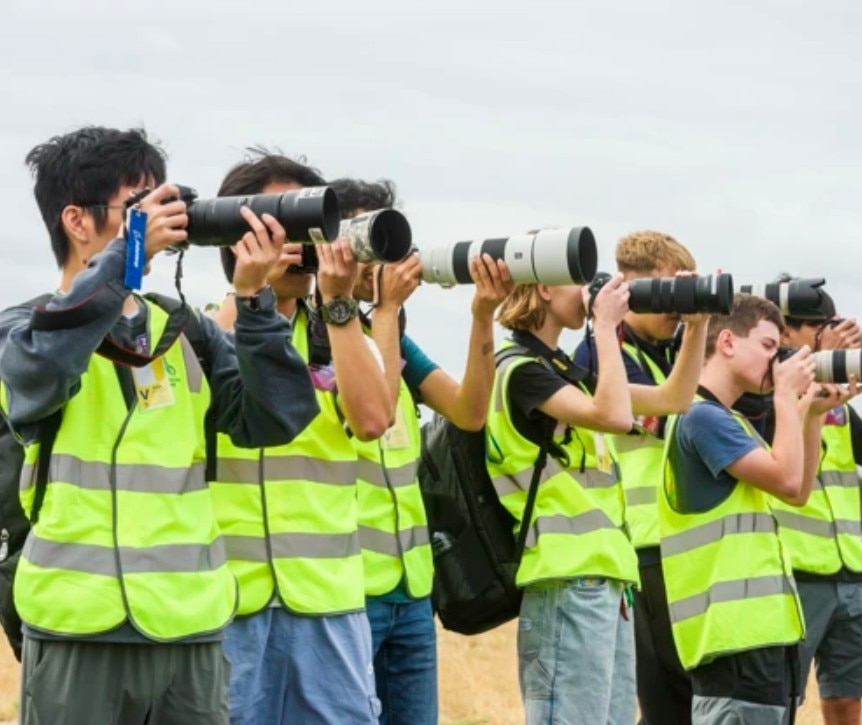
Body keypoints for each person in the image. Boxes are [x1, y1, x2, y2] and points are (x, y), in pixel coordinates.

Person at [0, 127, 319, 725]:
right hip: (79, 626)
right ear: (76, 220)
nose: (164, 219)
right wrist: (127, 256)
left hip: (190, 628)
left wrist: (254, 303)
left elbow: (277, 418)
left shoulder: (183, 331)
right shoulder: (24, 330)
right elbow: (39, 373)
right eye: (140, 205)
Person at [209, 155, 392, 725]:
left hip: (327, 603)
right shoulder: (203, 334)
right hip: (232, 602)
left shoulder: (340, 334)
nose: (299, 248)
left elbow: (372, 420)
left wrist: (338, 307)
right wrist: (249, 295)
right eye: (279, 228)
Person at [330, 177, 514, 725]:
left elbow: (469, 412)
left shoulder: (388, 332)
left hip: (411, 584)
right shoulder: (332, 334)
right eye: (369, 242)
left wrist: (482, 316)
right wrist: (384, 312)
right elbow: (370, 417)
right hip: (351, 584)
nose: (379, 261)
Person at [658, 294, 850, 723]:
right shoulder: (701, 417)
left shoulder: (730, 421)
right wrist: (786, 396)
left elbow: (797, 491)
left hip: (759, 640)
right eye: (768, 346)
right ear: (726, 342)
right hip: (735, 642)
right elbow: (785, 478)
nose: (775, 359)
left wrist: (813, 413)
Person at [485, 269, 641, 725]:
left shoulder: (564, 374)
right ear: (544, 287)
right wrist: (608, 328)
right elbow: (612, 415)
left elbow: (676, 397)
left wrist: (695, 324)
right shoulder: (521, 371)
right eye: (579, 280)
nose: (589, 290)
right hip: (567, 576)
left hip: (606, 578)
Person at [571, 230, 706, 725]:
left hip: (688, 547)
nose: (676, 307)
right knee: (667, 704)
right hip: (643, 551)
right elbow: (675, 411)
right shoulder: (598, 357)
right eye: (667, 291)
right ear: (628, 287)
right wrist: (697, 337)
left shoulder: (676, 348)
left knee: (699, 698)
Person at [768, 277, 862, 725]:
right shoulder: (768, 396)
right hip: (796, 571)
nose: (831, 337)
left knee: (847, 700)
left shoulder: (838, 403)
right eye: (816, 328)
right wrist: (819, 366)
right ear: (784, 333)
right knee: (782, 698)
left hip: (851, 570)